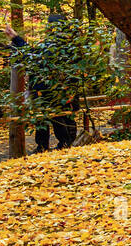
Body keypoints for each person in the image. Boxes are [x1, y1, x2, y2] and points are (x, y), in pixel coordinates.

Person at [6, 20, 78, 152]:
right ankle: (50, 145)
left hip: (51, 91)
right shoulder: (67, 46)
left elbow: (32, 56)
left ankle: (59, 144)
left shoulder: (63, 47)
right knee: (50, 117)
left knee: (56, 117)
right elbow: (33, 54)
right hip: (54, 91)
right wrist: (15, 38)